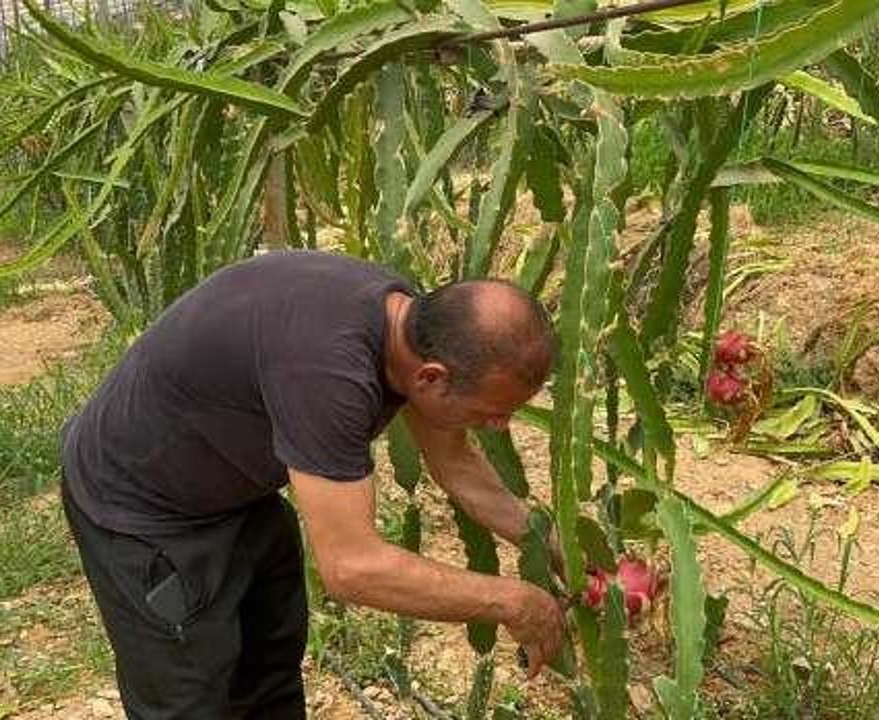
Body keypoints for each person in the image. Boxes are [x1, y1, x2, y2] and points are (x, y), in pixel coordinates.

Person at [59, 249, 565, 719]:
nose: (499, 425)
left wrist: (541, 538)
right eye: (491, 413)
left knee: (268, 682)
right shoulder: (328, 373)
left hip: (233, 489)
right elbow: (350, 567)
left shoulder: (414, 324)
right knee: (189, 700)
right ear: (431, 378)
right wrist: (510, 601)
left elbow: (455, 464)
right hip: (142, 508)